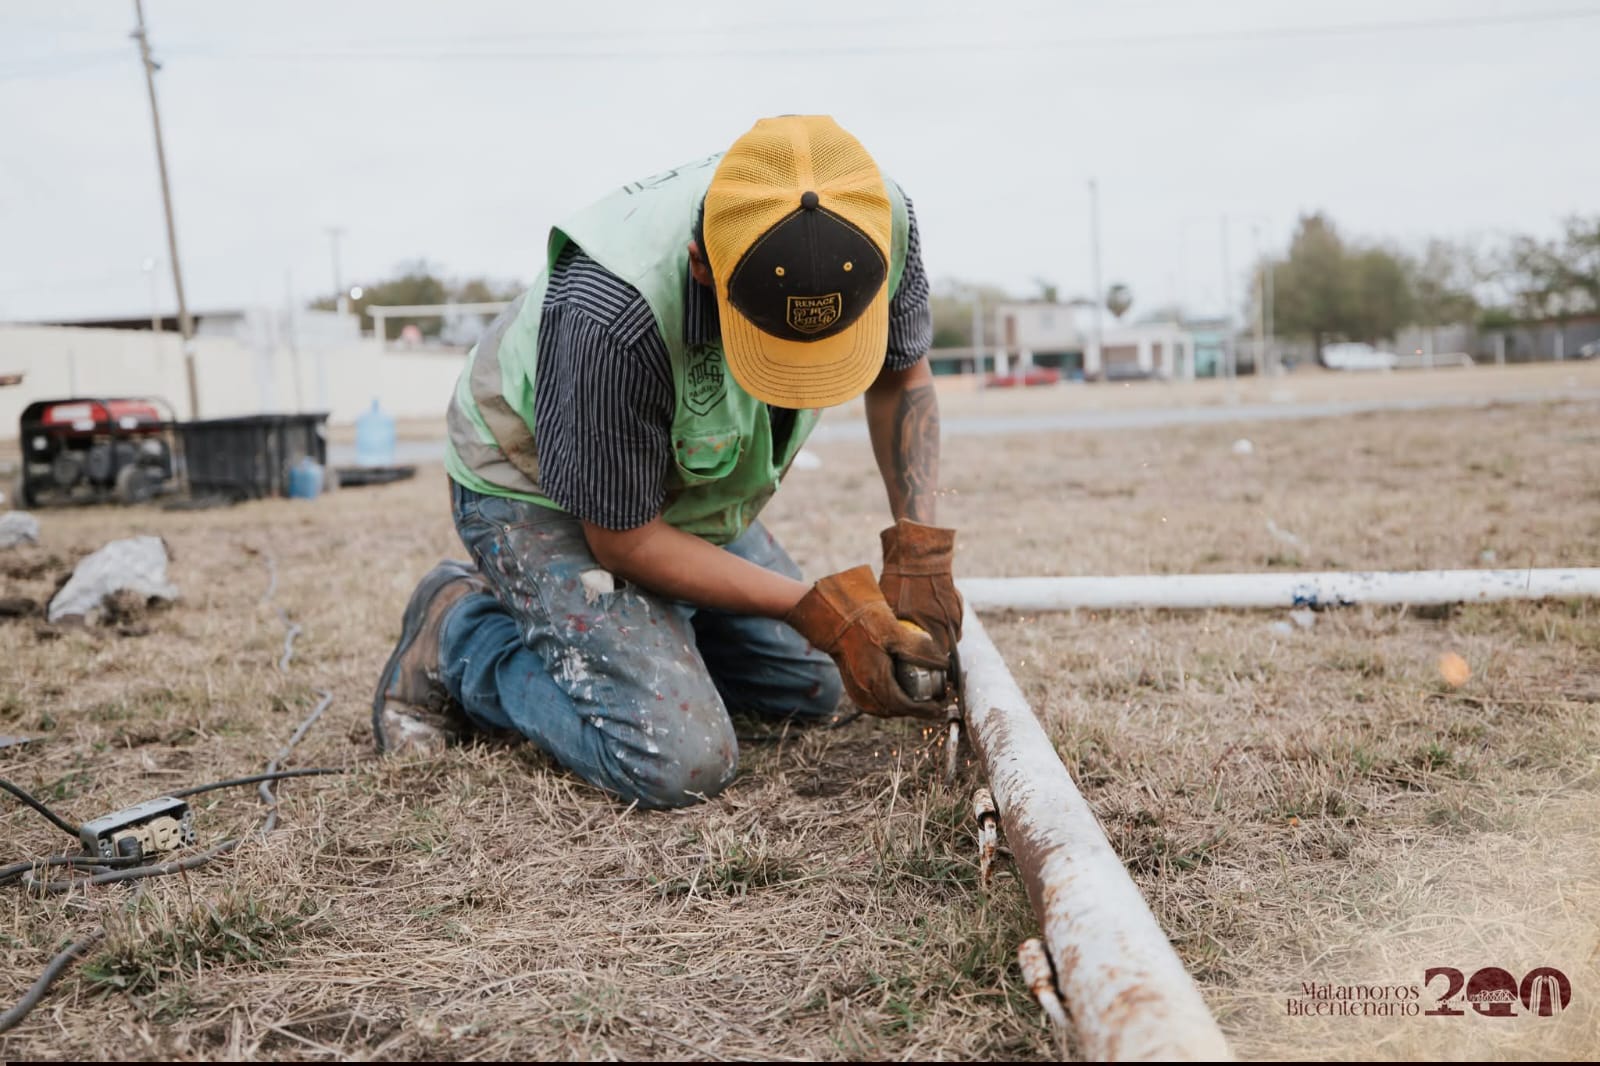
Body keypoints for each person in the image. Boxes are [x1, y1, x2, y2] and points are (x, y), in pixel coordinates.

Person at [372, 115, 964, 809]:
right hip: (538, 486)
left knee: (819, 686)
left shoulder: (875, 219)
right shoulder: (609, 308)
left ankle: (651, 638)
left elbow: (900, 377)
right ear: (702, 266)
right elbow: (624, 540)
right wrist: (814, 607)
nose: (798, 385)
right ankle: (461, 635)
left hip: (685, 482)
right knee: (677, 759)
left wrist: (918, 547)